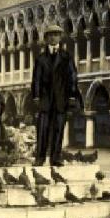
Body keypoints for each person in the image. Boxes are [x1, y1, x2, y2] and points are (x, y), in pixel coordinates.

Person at [31, 24, 79, 167]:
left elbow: (73, 77)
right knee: (42, 129)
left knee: (59, 129)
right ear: (46, 38)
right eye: (50, 35)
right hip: (45, 99)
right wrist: (36, 97)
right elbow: (36, 79)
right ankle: (40, 158)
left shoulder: (66, 57)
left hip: (61, 99)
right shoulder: (40, 58)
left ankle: (56, 158)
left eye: (56, 34)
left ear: (60, 37)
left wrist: (71, 96)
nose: (53, 37)